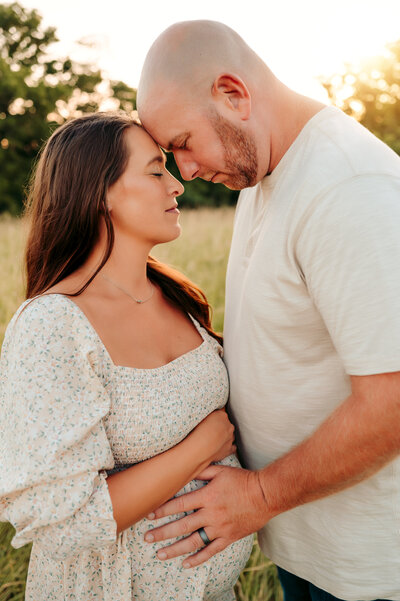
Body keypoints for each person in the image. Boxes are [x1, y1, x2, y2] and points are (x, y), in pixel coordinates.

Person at [135, 19, 400, 601]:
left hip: (364, 571)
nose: (186, 171)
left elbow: (393, 401)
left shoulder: (350, 190)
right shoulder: (265, 171)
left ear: (234, 94)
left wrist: (258, 497)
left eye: (181, 143)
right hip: (305, 542)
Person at [0, 111, 254, 601]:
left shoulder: (176, 296)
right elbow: (63, 523)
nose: (176, 186)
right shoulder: (53, 325)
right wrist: (201, 446)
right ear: (99, 193)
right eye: (156, 170)